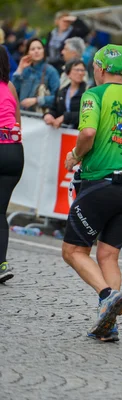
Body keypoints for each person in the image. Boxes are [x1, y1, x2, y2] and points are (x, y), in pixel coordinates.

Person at [61, 45, 122, 342]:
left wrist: (76, 155)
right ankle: (110, 324)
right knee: (108, 255)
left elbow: (88, 133)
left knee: (73, 251)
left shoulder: (94, 95)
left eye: (94, 66)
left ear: (102, 68)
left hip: (101, 182)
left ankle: (106, 296)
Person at [0, 46, 23, 284]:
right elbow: (17, 122)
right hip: (14, 151)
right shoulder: (10, 87)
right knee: (0, 212)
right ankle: (1, 263)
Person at [11, 38, 60, 112]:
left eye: (39, 48)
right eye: (32, 49)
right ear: (28, 53)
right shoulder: (25, 70)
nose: (36, 51)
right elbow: (12, 92)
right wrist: (20, 68)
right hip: (22, 115)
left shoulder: (51, 71)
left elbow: (58, 97)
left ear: (44, 51)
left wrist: (36, 100)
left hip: (40, 117)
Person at [43, 60, 86, 128]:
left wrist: (65, 117)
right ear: (68, 73)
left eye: (82, 70)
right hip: (63, 131)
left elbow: (87, 113)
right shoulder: (62, 91)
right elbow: (54, 108)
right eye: (77, 70)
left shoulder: (88, 91)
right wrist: (49, 115)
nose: (80, 73)